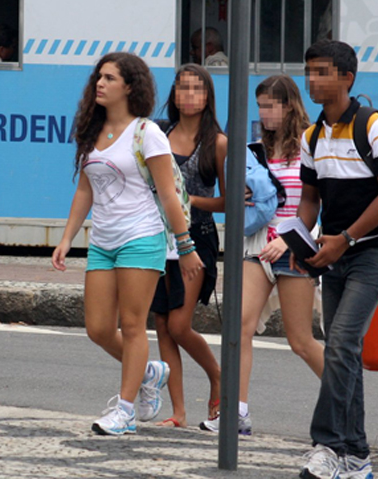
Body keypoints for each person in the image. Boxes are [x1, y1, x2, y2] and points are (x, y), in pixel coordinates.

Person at [51, 52, 203, 436]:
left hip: (142, 237)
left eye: (110, 78)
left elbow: (169, 195)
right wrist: (67, 238)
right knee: (99, 329)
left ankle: (126, 410)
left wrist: (184, 245)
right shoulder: (92, 130)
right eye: (98, 77)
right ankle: (149, 372)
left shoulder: (146, 133)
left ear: (130, 87)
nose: (99, 84)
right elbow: (85, 189)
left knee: (134, 326)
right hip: (103, 241)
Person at [296, 39, 378, 479]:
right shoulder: (312, 135)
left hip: (374, 250)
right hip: (333, 254)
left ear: (347, 78)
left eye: (322, 72)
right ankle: (357, 455)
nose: (312, 80)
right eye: (309, 72)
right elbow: (309, 199)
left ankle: (327, 445)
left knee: (340, 344)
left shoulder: (375, 127)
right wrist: (299, 241)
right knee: (346, 353)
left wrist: (345, 239)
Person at [200, 74, 325, 436]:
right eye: (259, 106)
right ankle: (236, 412)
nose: (264, 112)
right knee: (237, 327)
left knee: (300, 340)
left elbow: (313, 202)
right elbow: (245, 196)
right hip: (256, 245)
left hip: (295, 247)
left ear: (289, 105)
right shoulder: (256, 149)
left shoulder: (310, 142)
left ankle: (343, 399)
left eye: (270, 105)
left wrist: (289, 240)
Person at [150, 64, 226, 428]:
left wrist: (188, 201)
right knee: (162, 325)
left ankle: (218, 376)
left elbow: (230, 202)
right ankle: (178, 412)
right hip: (157, 237)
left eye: (197, 89)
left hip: (197, 239)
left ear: (208, 96)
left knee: (180, 325)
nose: (189, 96)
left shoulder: (218, 142)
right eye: (182, 89)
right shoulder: (158, 133)